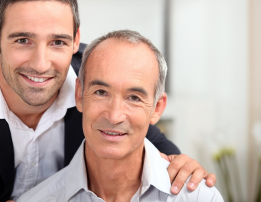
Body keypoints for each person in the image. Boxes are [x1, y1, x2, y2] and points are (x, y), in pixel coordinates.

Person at [0, 0, 215, 201]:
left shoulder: (100, 80)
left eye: (58, 42)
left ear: (76, 40)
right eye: (23, 40)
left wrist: (182, 165)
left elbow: (148, 142)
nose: (40, 63)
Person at [18, 30, 224, 202]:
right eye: (100, 92)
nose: (114, 116)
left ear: (157, 108)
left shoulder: (200, 197)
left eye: (134, 97)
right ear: (79, 95)